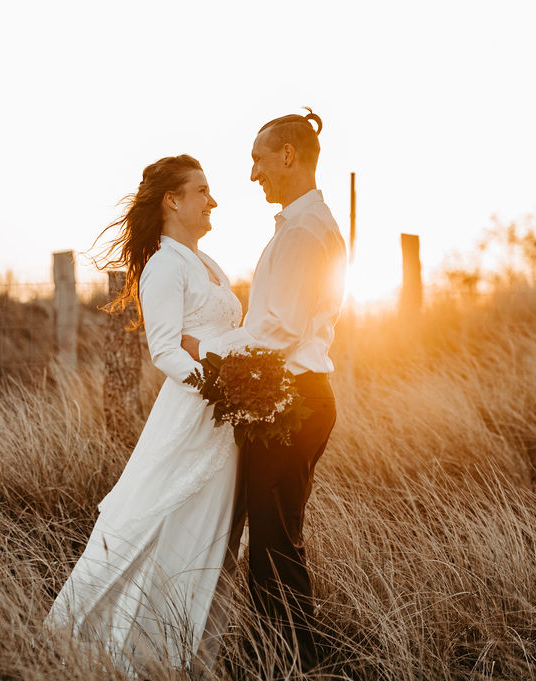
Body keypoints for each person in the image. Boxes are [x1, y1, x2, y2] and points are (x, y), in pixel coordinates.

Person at [44, 155, 245, 677]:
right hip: (196, 411)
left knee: (209, 525)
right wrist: (221, 383)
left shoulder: (210, 265)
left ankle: (188, 647)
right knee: (163, 517)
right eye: (202, 191)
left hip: (226, 416)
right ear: (172, 200)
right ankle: (124, 651)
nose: (213, 200)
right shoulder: (164, 265)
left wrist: (238, 370)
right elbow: (164, 352)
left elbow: (213, 338)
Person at [182, 109, 347, 672]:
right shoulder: (303, 224)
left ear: (288, 155)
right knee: (278, 545)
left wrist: (206, 349)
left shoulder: (303, 231)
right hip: (294, 397)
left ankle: (297, 665)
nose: (253, 174)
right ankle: (291, 661)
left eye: (257, 159)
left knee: (274, 555)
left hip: (294, 402)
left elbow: (279, 328)